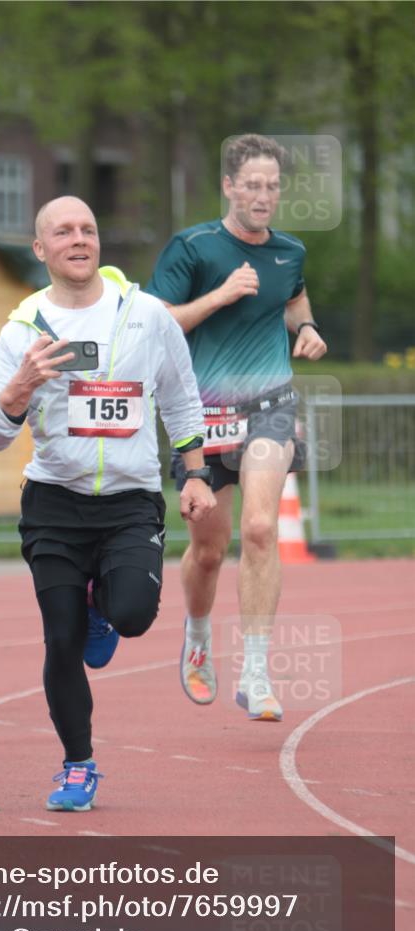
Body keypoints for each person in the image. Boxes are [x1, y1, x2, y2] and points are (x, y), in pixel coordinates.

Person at [0, 196, 215, 811]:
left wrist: (195, 473)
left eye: (88, 228)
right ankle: (77, 765)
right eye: (63, 232)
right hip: (54, 504)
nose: (78, 239)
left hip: (130, 501)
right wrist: (20, 387)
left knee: (132, 615)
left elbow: (181, 397)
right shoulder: (24, 329)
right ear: (40, 249)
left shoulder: (146, 315)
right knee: (61, 640)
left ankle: (101, 604)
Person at [146, 134, 327, 722]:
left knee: (260, 529)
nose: (263, 196)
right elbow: (157, 322)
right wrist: (219, 297)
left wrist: (306, 328)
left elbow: (293, 299)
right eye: (252, 185)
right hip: (202, 415)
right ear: (228, 186)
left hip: (270, 405)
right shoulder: (192, 248)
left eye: (272, 186)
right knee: (208, 550)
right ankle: (198, 635)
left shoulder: (290, 251)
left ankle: (256, 670)